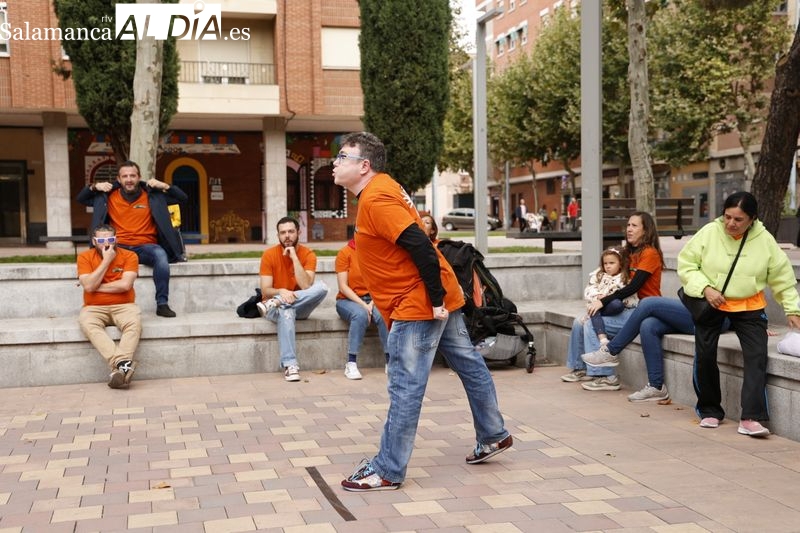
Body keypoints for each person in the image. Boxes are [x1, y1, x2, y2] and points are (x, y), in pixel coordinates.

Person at [333, 131, 511, 492]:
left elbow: (422, 248)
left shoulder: (377, 199)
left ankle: (387, 468)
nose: (335, 163)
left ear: (363, 166)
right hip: (434, 294)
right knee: (468, 363)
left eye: (342, 157)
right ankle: (493, 434)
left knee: (405, 386)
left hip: (418, 303)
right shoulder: (382, 188)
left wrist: (433, 302)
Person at [678, 191, 800, 437]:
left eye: (738, 219)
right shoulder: (709, 233)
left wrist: (792, 309)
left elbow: (782, 277)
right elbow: (687, 264)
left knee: (756, 357)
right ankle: (710, 410)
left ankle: (751, 418)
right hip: (713, 302)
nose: (731, 224)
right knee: (704, 355)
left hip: (749, 305)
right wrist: (706, 288)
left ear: (752, 219)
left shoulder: (764, 240)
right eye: (727, 217)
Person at [561, 212, 663, 391]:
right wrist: (597, 296)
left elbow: (633, 287)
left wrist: (603, 302)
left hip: (640, 309)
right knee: (579, 321)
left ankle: (606, 376)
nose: (629, 229)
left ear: (646, 230)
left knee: (591, 325)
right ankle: (580, 367)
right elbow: (606, 272)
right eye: (628, 225)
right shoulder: (627, 253)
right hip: (622, 306)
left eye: (634, 226)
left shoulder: (650, 254)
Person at [77, 160, 188, 318]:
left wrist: (164, 186)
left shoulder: (153, 195)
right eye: (125, 176)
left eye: (132, 176)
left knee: (161, 256)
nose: (129, 179)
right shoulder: (107, 196)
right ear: (119, 179)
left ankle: (162, 304)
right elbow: (81, 199)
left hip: (146, 246)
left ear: (139, 177)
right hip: (118, 247)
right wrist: (94, 187)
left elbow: (183, 198)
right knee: (102, 262)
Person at [257, 216, 329, 382]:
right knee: (286, 312)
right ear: (278, 236)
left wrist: (294, 257)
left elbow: (305, 286)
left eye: (290, 231)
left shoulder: (308, 255)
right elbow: (265, 290)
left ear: (299, 233)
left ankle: (280, 302)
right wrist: (281, 292)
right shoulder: (269, 255)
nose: (287, 236)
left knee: (322, 287)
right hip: (273, 307)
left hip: (299, 305)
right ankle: (290, 365)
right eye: (283, 233)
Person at [77, 224, 141, 389]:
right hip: (93, 307)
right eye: (101, 240)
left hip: (124, 305)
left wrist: (93, 286)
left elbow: (126, 285)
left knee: (134, 323)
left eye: (111, 239)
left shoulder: (130, 255)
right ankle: (122, 364)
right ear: (94, 241)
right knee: (87, 323)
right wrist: (106, 261)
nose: (106, 244)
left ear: (116, 239)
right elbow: (89, 286)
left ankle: (119, 368)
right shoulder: (84, 257)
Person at [335, 238, 390, 379]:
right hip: (347, 300)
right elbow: (343, 286)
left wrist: (372, 302)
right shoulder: (345, 253)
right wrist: (364, 305)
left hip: (374, 299)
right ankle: (351, 363)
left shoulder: (376, 252)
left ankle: (390, 361)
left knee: (384, 314)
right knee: (360, 315)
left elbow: (381, 282)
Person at [582, 247, 638, 346]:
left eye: (612, 263)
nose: (608, 266)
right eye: (605, 263)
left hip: (614, 307)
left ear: (620, 264)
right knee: (594, 309)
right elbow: (589, 289)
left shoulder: (624, 278)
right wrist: (597, 295)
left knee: (616, 304)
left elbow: (629, 299)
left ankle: (593, 315)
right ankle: (602, 338)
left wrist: (607, 298)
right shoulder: (599, 275)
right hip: (598, 305)